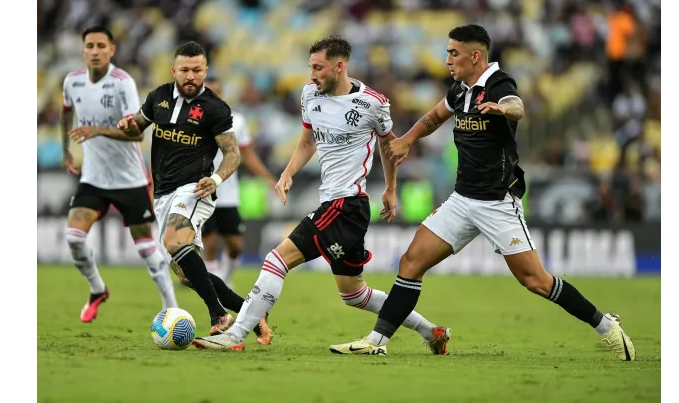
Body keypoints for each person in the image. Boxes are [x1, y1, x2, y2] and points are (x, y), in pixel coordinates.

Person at [330, 25, 636, 361]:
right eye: (447, 52)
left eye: (454, 53)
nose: (447, 59)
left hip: (497, 203)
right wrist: (406, 140)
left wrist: (504, 110)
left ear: (475, 56)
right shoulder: (461, 88)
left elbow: (516, 105)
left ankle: (605, 325)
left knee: (535, 280)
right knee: (411, 261)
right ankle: (377, 340)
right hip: (462, 201)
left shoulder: (498, 83)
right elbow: (435, 116)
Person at [190, 36, 449, 353]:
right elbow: (307, 142)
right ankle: (431, 332)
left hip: (347, 204)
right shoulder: (309, 94)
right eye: (310, 67)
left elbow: (388, 145)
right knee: (354, 294)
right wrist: (287, 173)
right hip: (335, 205)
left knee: (276, 259)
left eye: (318, 67)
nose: (311, 74)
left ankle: (234, 335)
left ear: (339, 67)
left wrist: (391, 189)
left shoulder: (372, 102)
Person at [117, 41, 272, 344]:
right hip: (163, 193)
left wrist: (215, 179)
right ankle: (252, 315)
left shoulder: (215, 108)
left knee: (174, 240)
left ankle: (218, 315)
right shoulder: (158, 97)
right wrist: (128, 125)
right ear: (174, 69)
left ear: (205, 71)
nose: (191, 76)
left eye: (197, 70)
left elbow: (232, 154)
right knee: (188, 274)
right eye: (185, 70)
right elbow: (137, 126)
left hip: (194, 189)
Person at [60, 25, 177, 323]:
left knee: (146, 249)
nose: (95, 51)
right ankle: (97, 289)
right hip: (94, 177)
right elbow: (65, 112)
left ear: (112, 50)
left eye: (101, 46)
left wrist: (97, 130)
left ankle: (171, 309)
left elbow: (137, 133)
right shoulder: (72, 82)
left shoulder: (122, 83)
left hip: (130, 178)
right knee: (74, 237)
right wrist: (66, 150)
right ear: (83, 49)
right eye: (90, 46)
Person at [200, 76, 277, 288]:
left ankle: (224, 277)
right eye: (208, 92)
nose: (212, 96)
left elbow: (248, 155)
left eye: (216, 91)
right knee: (212, 244)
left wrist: (269, 178)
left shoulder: (236, 120)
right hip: (204, 192)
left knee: (236, 246)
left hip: (229, 194)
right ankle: (216, 287)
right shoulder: (194, 119)